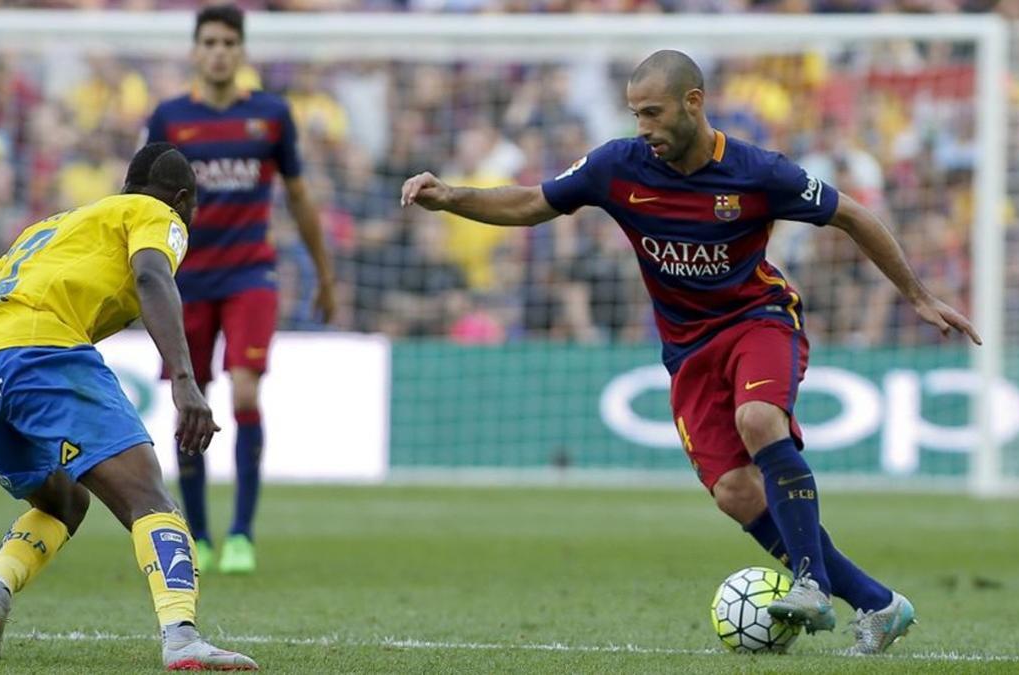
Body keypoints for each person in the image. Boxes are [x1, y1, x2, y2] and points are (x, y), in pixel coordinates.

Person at [401, 50, 981, 655]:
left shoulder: (760, 172)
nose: (643, 127)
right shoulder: (616, 167)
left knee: (759, 419)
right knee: (735, 492)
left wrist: (917, 296)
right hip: (688, 348)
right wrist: (453, 197)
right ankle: (877, 604)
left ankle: (811, 583)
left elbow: (853, 216)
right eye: (635, 114)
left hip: (759, 320)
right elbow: (530, 203)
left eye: (652, 113)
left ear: (693, 103)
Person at [0, 143, 259, 671]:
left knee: (64, 501)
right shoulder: (157, 214)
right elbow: (153, 277)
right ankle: (181, 637)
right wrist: (184, 378)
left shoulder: (48, 230)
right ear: (183, 199)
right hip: (41, 354)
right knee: (148, 499)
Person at [143, 4, 336, 575]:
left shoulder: (272, 116)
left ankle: (242, 535)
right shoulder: (170, 119)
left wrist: (326, 276)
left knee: (245, 392)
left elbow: (299, 197)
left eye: (229, 42)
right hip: (187, 279)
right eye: (210, 42)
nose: (220, 51)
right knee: (190, 398)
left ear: (242, 50)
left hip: (252, 273)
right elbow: (141, 204)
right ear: (195, 51)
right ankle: (197, 533)